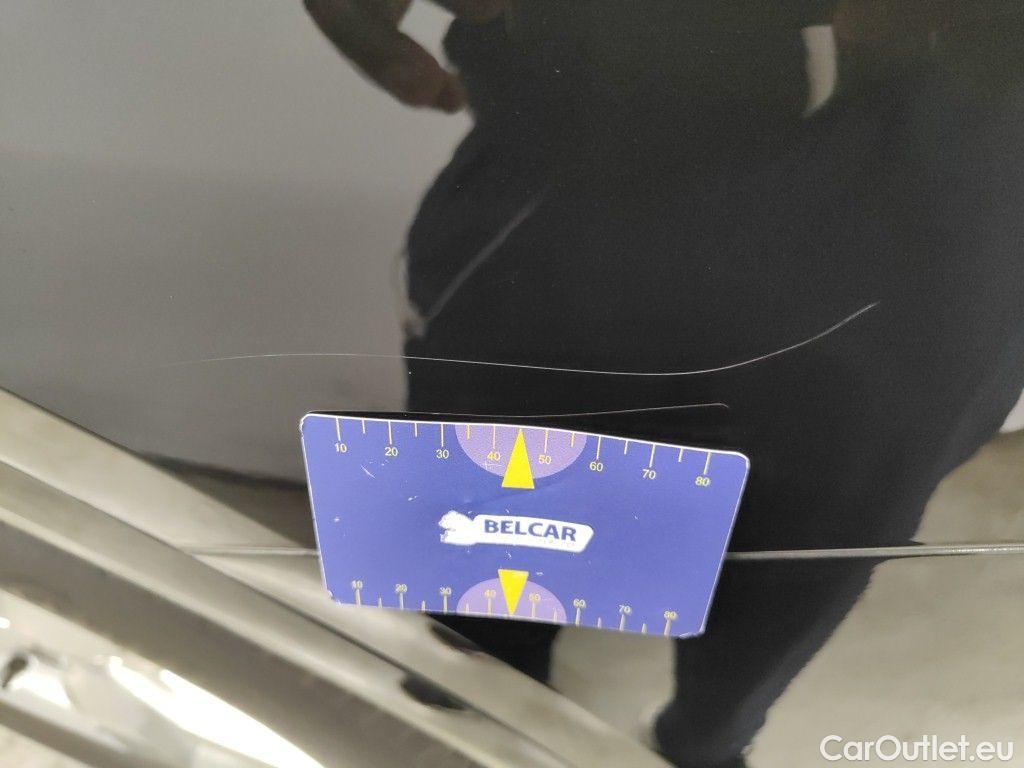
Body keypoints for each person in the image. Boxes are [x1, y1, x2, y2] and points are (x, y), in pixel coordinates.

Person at [305, 2, 1024, 765]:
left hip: (941, 198)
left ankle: (696, 740)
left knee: (803, 563)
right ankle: (486, 714)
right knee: (493, 572)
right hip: (605, 166)